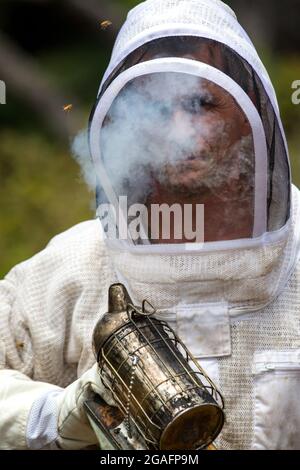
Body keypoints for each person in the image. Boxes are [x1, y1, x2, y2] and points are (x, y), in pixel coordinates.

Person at [1, 0, 300, 450]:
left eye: (201, 102)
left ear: (249, 109)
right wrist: (56, 415)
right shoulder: (74, 265)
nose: (180, 129)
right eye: (155, 107)